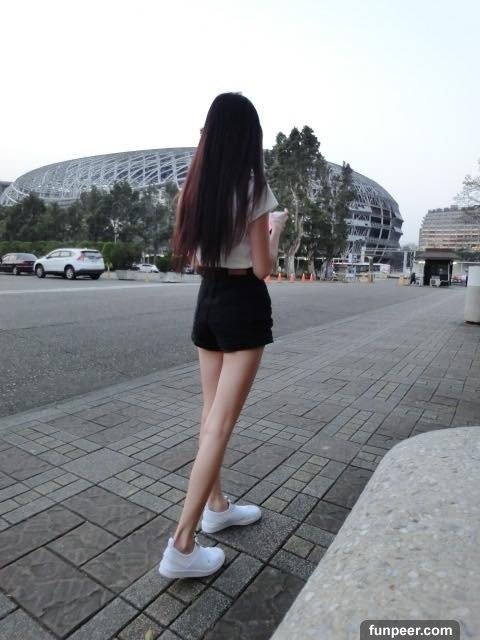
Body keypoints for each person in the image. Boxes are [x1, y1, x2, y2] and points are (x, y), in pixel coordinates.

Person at [158, 93, 288, 579]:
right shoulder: (254, 187)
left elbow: (195, 254)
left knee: (210, 413)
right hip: (241, 304)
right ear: (248, 137)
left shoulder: (193, 188)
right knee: (221, 422)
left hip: (207, 300)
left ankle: (216, 506)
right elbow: (262, 267)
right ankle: (182, 545)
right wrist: (275, 230)